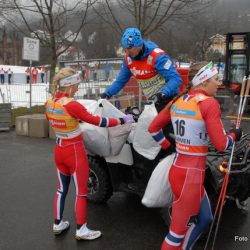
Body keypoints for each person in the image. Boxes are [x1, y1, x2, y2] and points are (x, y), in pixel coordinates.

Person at [148, 61, 242, 250]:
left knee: (205, 218)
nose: (219, 83)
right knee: (175, 234)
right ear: (204, 80)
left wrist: (170, 146)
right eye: (216, 79)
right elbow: (221, 144)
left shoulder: (179, 100)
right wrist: (234, 135)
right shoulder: (208, 104)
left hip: (181, 171)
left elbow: (153, 128)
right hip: (190, 178)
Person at [45, 67, 134, 240]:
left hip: (59, 149)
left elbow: (53, 120)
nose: (78, 88)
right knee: (81, 192)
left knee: (61, 190)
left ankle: (57, 224)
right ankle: (81, 229)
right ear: (69, 86)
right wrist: (123, 120)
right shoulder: (72, 105)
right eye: (76, 85)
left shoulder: (49, 103)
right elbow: (99, 121)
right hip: (75, 152)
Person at [101, 27, 182, 112]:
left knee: (157, 125)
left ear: (138, 44)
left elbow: (176, 79)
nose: (127, 52)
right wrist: (107, 94)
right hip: (153, 102)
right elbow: (120, 81)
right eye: (125, 49)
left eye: (129, 48)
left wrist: (162, 93)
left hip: (169, 98)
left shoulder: (158, 57)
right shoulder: (128, 59)